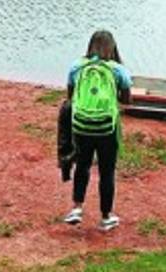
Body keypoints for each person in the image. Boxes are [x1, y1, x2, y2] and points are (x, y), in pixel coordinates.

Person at [62, 30, 131, 231]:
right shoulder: (117, 70)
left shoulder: (77, 67)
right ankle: (106, 217)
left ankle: (76, 208)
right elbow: (127, 100)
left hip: (81, 126)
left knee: (82, 165)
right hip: (106, 128)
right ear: (112, 47)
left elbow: (71, 96)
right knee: (107, 171)